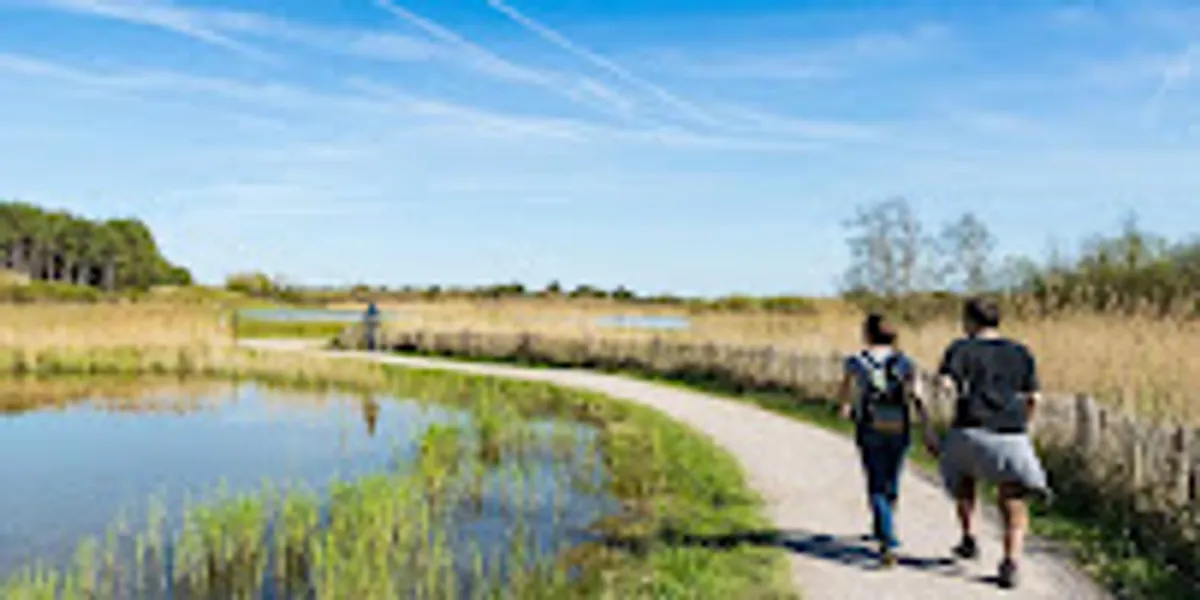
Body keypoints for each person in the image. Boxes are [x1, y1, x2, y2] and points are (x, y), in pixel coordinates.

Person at [930, 296, 1049, 590]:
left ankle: (969, 536)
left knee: (964, 481)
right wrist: (1025, 426)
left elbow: (945, 385)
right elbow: (1034, 398)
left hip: (969, 430)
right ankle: (1011, 560)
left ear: (970, 321)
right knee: (1013, 498)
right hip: (1010, 434)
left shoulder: (961, 349)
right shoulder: (1021, 352)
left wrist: (938, 415)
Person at [838, 313, 936, 566]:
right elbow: (918, 396)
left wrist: (846, 407)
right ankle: (884, 524)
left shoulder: (856, 361)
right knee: (892, 481)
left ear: (868, 334)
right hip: (899, 426)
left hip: (869, 426)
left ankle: (887, 538)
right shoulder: (906, 362)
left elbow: (846, 392)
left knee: (875, 482)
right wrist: (927, 428)